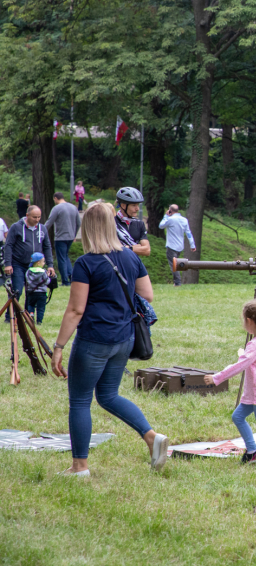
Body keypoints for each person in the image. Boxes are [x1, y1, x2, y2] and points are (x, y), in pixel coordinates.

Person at [50, 202, 168, 477]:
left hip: (94, 339)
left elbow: (76, 310)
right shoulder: (130, 257)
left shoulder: (86, 263)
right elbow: (147, 294)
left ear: (88, 229)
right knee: (108, 395)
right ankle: (151, 437)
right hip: (124, 338)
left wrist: (58, 347)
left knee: (80, 401)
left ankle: (79, 467)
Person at [204, 300, 256, 466]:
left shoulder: (254, 345)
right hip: (255, 393)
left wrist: (216, 377)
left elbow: (240, 366)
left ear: (248, 321)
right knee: (238, 417)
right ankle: (253, 451)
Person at [3, 205, 56, 322]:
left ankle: (27, 316)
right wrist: (8, 263)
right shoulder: (16, 227)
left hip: (34, 266)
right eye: (34, 217)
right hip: (18, 264)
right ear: (27, 216)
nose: (37, 220)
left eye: (39, 217)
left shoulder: (42, 229)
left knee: (31, 292)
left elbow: (47, 247)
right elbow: (9, 245)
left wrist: (50, 265)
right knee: (17, 290)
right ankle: (10, 316)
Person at [46, 192, 81, 287]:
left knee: (61, 258)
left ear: (56, 198)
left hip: (60, 237)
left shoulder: (57, 208)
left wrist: (42, 232)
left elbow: (49, 222)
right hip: (70, 237)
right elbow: (78, 222)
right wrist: (74, 234)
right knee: (65, 256)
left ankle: (65, 281)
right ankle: (72, 277)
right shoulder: (73, 207)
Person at [158, 205, 196, 286]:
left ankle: (177, 282)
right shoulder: (184, 220)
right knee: (176, 264)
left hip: (171, 246)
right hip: (180, 246)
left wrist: (166, 216)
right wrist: (192, 245)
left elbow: (161, 226)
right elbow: (188, 233)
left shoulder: (170, 219)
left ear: (170, 210)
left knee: (173, 265)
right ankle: (177, 281)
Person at [114, 187, 151, 259]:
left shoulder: (139, 223)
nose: (137, 209)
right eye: (134, 205)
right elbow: (111, 249)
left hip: (133, 264)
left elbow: (147, 250)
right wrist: (137, 247)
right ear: (123, 205)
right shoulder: (111, 223)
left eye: (137, 205)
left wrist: (128, 248)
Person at [24, 252, 50, 323]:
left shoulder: (28, 271)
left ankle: (31, 314)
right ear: (38, 263)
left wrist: (32, 287)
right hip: (42, 293)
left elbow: (27, 281)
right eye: (43, 261)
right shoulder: (43, 272)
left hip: (31, 292)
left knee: (31, 305)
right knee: (40, 308)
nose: (44, 263)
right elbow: (47, 282)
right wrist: (48, 276)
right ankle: (39, 321)